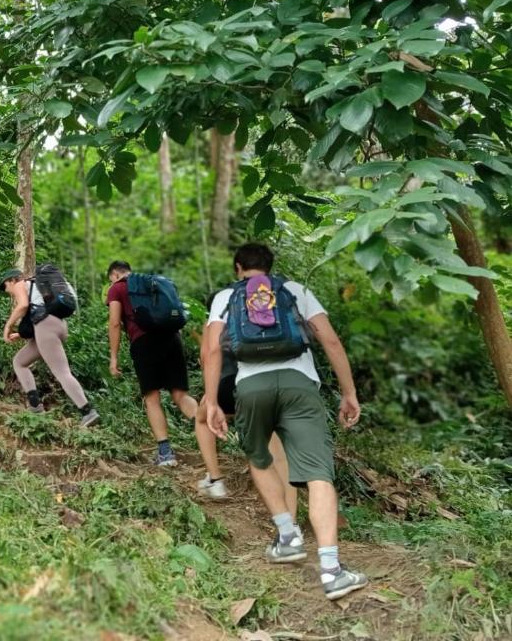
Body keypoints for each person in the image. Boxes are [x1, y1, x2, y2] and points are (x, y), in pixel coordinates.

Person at [203, 243, 367, 600]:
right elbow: (331, 340)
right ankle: (332, 571)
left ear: (238, 268)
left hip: (250, 387)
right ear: (270, 267)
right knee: (318, 474)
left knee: (258, 455)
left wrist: (213, 400)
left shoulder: (225, 297)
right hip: (300, 385)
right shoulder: (294, 290)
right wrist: (349, 392)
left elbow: (213, 349)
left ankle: (287, 534)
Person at [194, 292, 298, 522]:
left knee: (201, 419)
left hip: (229, 385)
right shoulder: (253, 317)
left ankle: (215, 480)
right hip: (267, 384)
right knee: (278, 452)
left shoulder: (213, 322)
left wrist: (209, 397)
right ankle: (291, 520)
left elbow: (207, 356)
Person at [106, 261, 198, 466]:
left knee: (152, 397)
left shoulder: (117, 288)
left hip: (144, 342)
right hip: (172, 338)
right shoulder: (153, 282)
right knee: (180, 394)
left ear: (114, 274)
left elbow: (114, 322)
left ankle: (166, 454)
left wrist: (113, 357)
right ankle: (210, 429)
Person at [0, 268, 100, 427]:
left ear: (11, 280)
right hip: (58, 325)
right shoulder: (36, 286)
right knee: (19, 362)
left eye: (4, 286)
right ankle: (35, 406)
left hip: (46, 327)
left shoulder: (19, 284)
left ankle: (87, 412)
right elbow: (36, 312)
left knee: (62, 372)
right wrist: (19, 334)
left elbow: (23, 306)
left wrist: (7, 326)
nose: (6, 290)